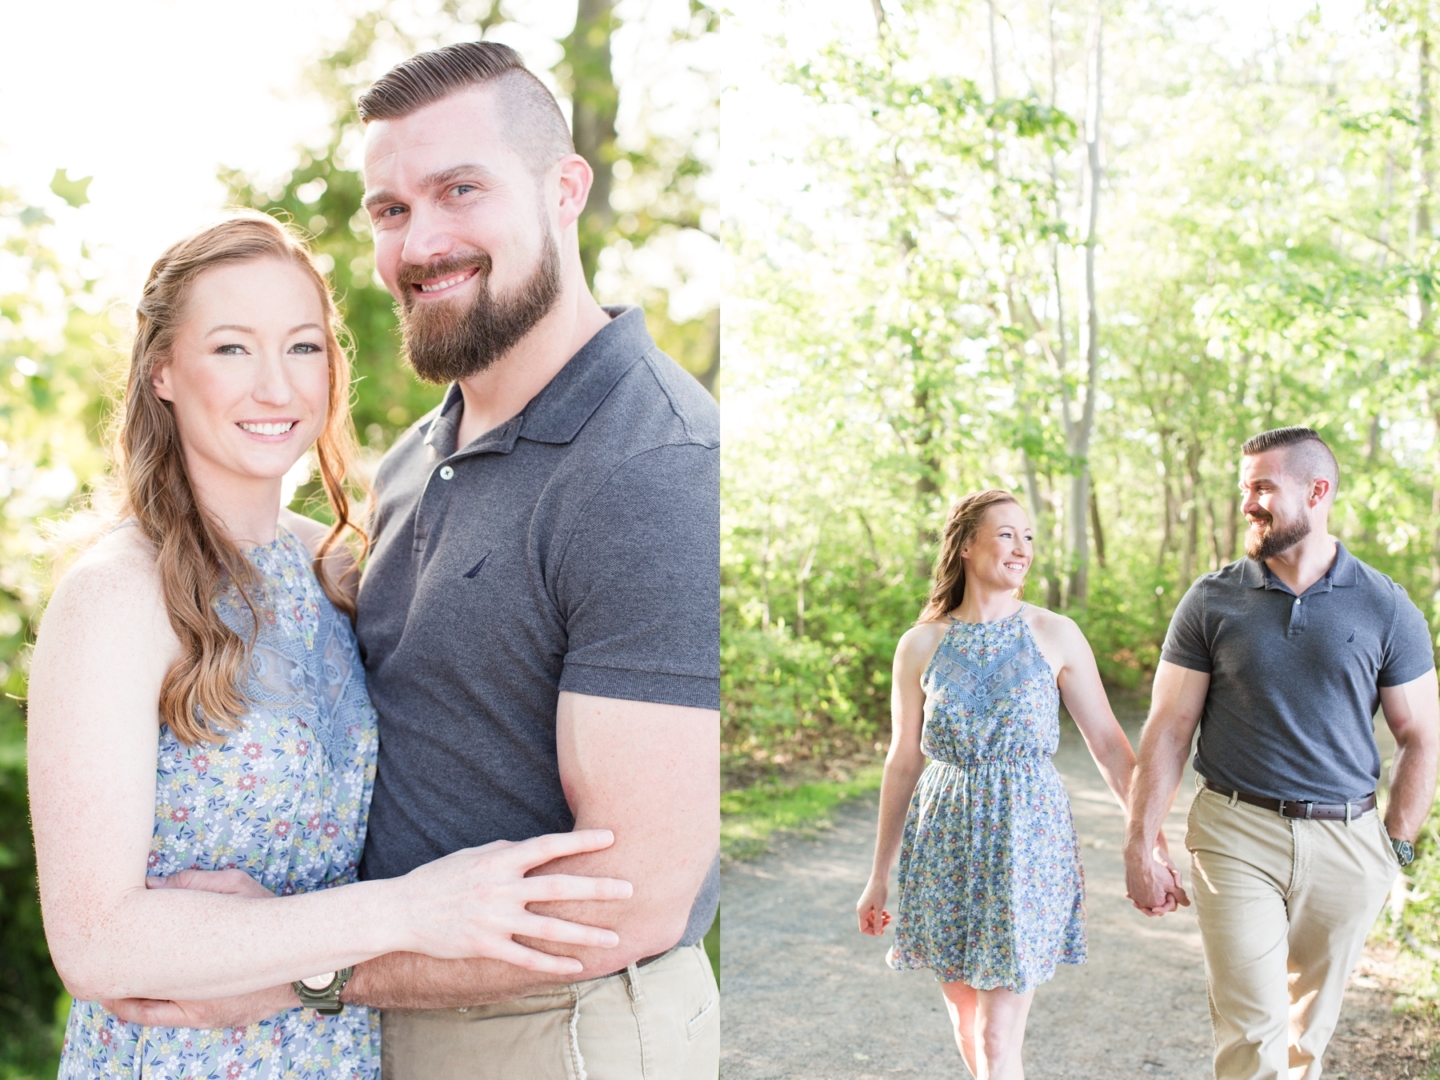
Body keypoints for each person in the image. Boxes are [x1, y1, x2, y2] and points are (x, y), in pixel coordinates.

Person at [107, 42, 721, 1078]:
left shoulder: (654, 469)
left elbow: (627, 906)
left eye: (459, 190)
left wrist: (306, 972)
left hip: (560, 1035)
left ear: (564, 189)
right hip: (394, 1031)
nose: (420, 241)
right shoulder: (418, 455)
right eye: (389, 209)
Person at [27, 215, 632, 1080]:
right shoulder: (117, 595)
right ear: (162, 369)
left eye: (304, 348)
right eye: (232, 349)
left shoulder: (331, 568)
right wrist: (409, 911)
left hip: (332, 1049)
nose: (275, 386)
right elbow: (96, 941)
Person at [1123, 425, 1439, 1080]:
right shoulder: (1211, 600)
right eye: (1245, 489)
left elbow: (1421, 736)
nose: (1247, 504)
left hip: (1348, 842)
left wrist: (1394, 850)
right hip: (1237, 833)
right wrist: (1140, 843)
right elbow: (1170, 727)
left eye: (1263, 488)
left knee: (1304, 1043)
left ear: (1317, 491)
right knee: (1255, 1034)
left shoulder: (1387, 607)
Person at [856, 489, 1181, 1080]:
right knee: (964, 1023)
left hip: (1026, 841)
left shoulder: (1055, 633)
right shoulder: (920, 644)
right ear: (965, 545)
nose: (1022, 548)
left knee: (997, 1036)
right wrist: (879, 875)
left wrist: (1151, 840)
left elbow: (1109, 745)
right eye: (1007, 534)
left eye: (1028, 537)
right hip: (944, 844)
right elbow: (903, 760)